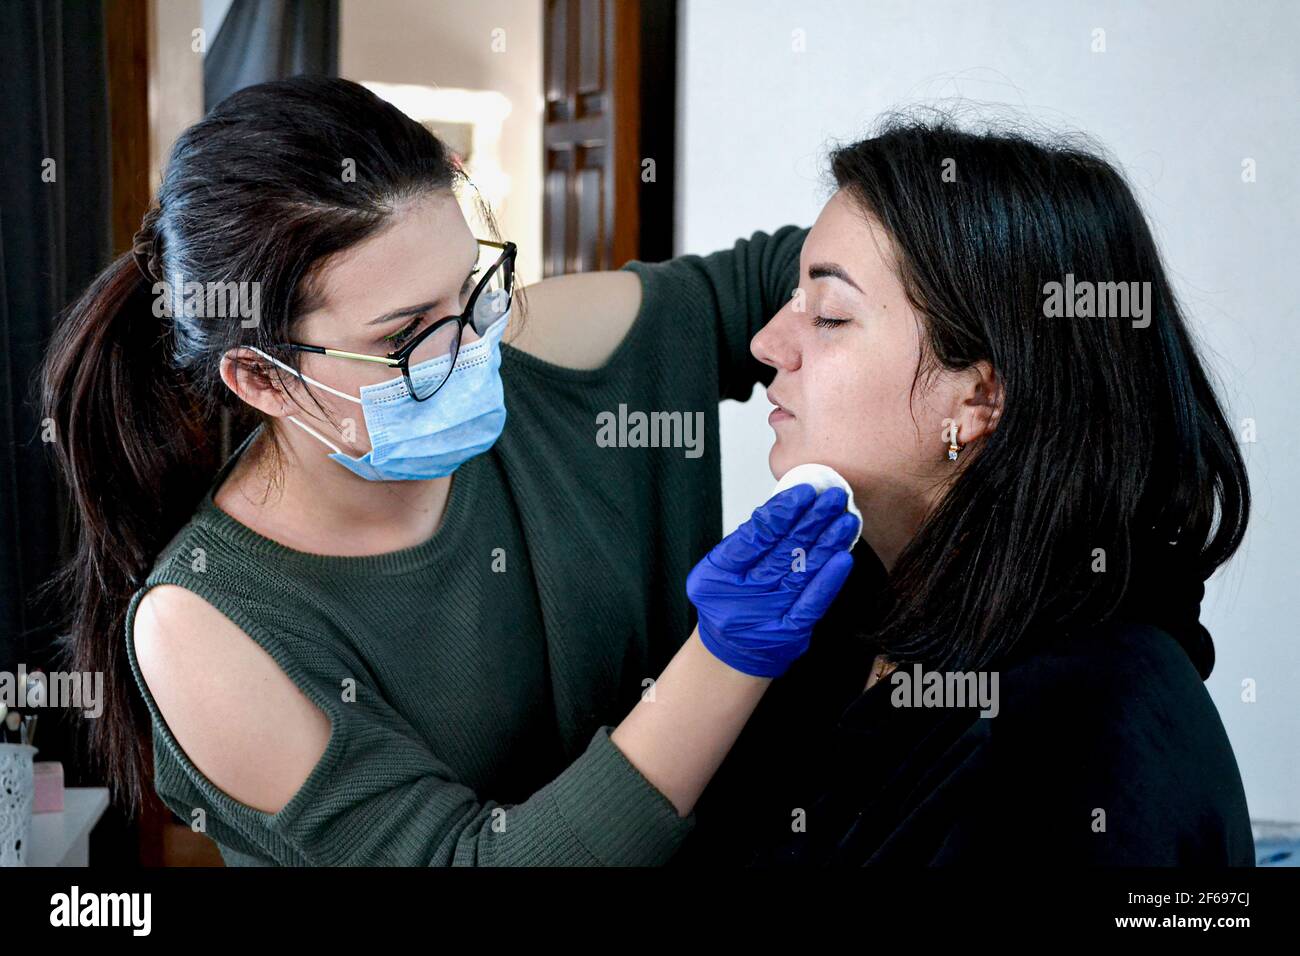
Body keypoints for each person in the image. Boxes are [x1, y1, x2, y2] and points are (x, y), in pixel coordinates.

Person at [40, 75, 856, 866]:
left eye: (470, 290)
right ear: (263, 379)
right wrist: (728, 656)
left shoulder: (533, 354)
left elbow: (789, 277)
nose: (470, 352)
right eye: (407, 333)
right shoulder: (204, 627)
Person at [674, 115, 1255, 867]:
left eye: (828, 315)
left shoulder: (1092, 736)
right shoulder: (850, 619)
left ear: (979, 399)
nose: (766, 345)